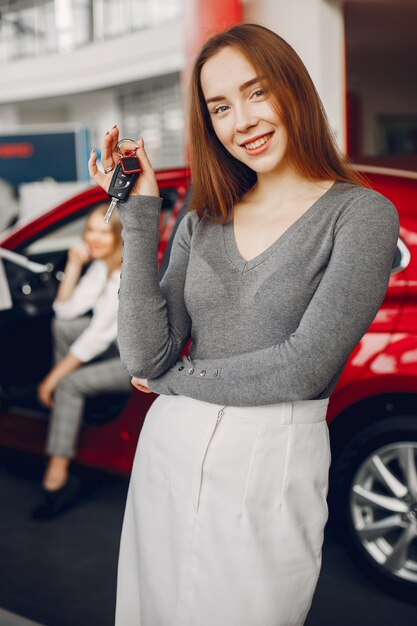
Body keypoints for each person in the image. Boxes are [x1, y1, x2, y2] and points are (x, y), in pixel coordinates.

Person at [89, 23, 400, 626]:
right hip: (169, 452)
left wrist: (175, 381)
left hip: (269, 457)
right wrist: (138, 214)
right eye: (221, 107)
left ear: (293, 90)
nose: (243, 121)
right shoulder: (203, 221)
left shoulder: (360, 214)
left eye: (257, 93)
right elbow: (144, 357)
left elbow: (303, 365)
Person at [32, 203, 132, 520]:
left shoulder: (123, 274)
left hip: (133, 361)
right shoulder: (102, 267)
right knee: (63, 326)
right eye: (90, 230)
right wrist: (74, 265)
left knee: (70, 382)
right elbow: (65, 312)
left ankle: (57, 476)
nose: (94, 238)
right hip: (113, 347)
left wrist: (52, 379)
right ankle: (70, 405)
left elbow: (96, 339)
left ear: (119, 234)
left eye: (103, 231)